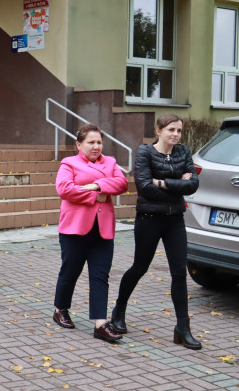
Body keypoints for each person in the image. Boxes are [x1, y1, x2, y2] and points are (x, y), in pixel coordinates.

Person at [109, 114, 201, 349]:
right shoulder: (145, 152)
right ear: (158, 131)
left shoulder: (183, 152)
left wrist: (163, 182)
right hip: (149, 219)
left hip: (175, 220)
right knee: (140, 267)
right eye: (171, 129)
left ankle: (183, 328)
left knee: (179, 273)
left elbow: (193, 185)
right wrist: (176, 184)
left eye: (179, 131)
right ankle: (119, 310)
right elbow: (144, 187)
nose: (176, 135)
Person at [52, 124, 128, 344]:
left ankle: (100, 323)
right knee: (70, 271)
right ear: (79, 144)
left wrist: (94, 186)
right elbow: (64, 189)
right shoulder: (69, 163)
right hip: (75, 228)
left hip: (102, 230)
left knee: (100, 275)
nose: (96, 146)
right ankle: (60, 309)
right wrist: (98, 195)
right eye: (91, 142)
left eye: (99, 142)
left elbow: (121, 183)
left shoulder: (111, 162)